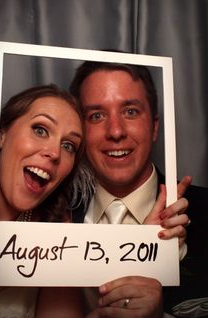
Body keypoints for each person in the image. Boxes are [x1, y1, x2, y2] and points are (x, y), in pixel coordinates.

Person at [69, 60, 208, 317]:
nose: (116, 131)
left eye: (130, 111)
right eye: (96, 115)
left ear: (154, 127)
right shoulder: (51, 215)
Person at [0, 84, 85, 317]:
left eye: (68, 146)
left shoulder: (59, 237)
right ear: (1, 134)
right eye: (41, 130)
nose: (55, 153)